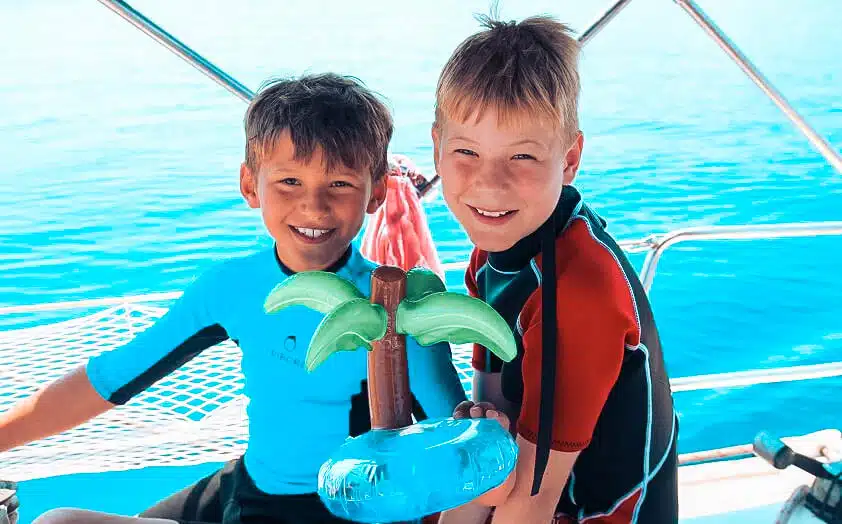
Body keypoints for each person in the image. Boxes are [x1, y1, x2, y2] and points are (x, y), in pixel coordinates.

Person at [0, 73, 467, 524]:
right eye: (289, 182)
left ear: (377, 191)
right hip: (248, 485)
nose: (314, 206)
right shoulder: (234, 287)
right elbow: (110, 378)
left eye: (340, 184)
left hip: (340, 509)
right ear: (250, 185)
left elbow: (455, 442)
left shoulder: (395, 308)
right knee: (59, 520)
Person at [432, 15, 679, 523]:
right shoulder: (493, 258)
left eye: (521, 156)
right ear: (437, 146)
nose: (490, 185)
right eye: (466, 152)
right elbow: (493, 410)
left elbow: (531, 502)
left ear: (569, 160)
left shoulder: (577, 294)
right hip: (543, 483)